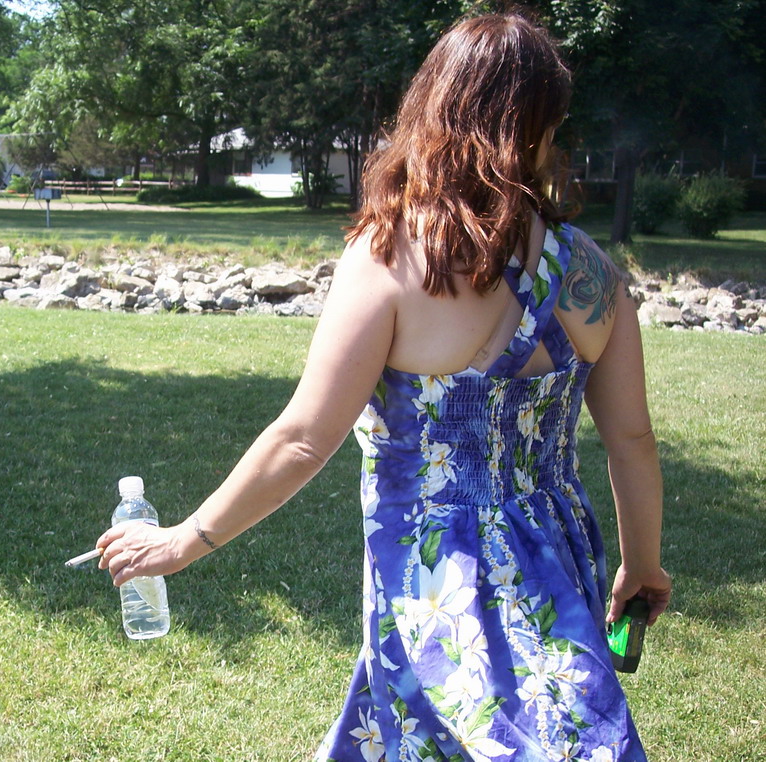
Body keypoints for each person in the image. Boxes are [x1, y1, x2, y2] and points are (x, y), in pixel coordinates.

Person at [96, 12, 672, 762]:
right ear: (535, 127)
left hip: (435, 575)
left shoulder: (392, 256)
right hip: (555, 556)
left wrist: (183, 540)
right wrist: (642, 565)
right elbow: (632, 440)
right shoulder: (593, 273)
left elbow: (305, 438)